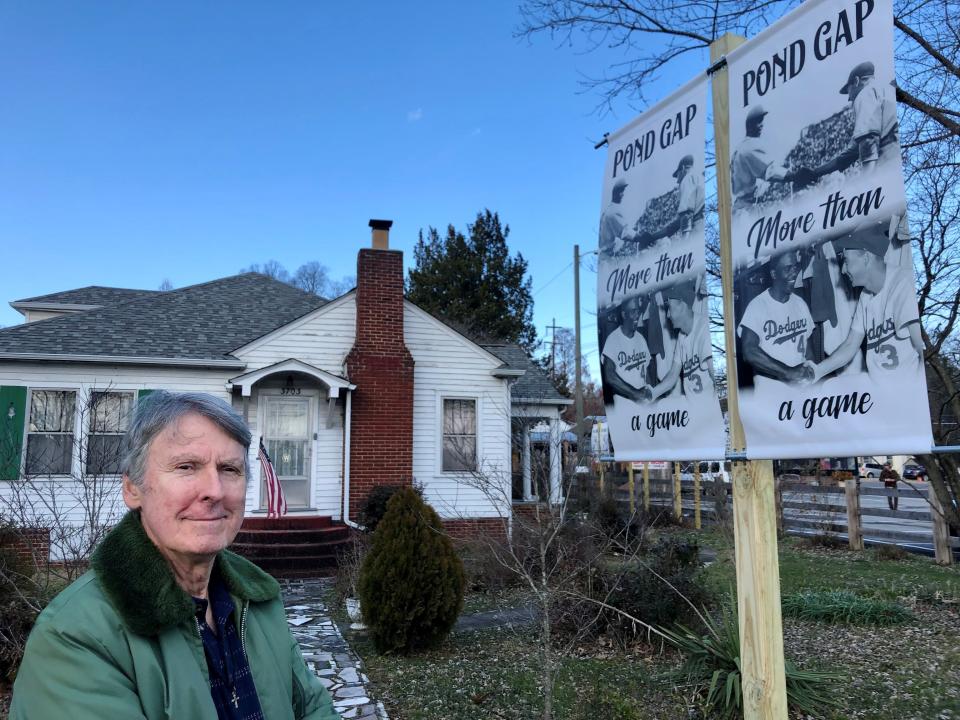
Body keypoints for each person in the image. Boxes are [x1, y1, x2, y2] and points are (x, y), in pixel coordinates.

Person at [11, 391, 340, 720]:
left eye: (229, 469)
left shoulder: (259, 602)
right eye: (186, 466)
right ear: (132, 489)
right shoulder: (77, 636)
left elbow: (312, 707)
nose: (214, 489)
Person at [810, 221, 923, 381]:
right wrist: (816, 372)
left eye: (846, 261)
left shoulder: (903, 284)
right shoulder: (866, 295)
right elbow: (850, 346)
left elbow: (921, 349)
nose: (843, 270)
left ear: (865, 257)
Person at [737, 251, 815, 389]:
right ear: (774, 274)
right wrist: (787, 372)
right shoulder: (758, 305)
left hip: (801, 391)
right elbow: (749, 351)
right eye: (787, 268)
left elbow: (808, 351)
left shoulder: (800, 304)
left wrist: (811, 375)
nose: (794, 272)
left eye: (796, 267)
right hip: (771, 394)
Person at [642, 277, 714, 400]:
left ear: (682, 304)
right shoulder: (682, 335)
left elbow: (716, 377)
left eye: (669, 307)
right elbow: (672, 375)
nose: (668, 315)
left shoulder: (704, 330)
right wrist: (652, 394)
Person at [730, 106, 810, 210]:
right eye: (758, 122)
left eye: (761, 121)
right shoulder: (750, 146)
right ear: (749, 125)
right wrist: (795, 176)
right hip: (746, 209)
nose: (761, 125)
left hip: (738, 207)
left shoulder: (739, 148)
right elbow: (770, 172)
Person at [634, 155, 705, 246]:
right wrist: (653, 237)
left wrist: (685, 245)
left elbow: (686, 214)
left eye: (677, 175)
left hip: (697, 226)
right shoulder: (700, 178)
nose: (677, 181)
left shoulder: (687, 178)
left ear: (683, 168)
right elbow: (676, 225)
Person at [601, 295, 652, 402]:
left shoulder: (641, 338)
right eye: (633, 311)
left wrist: (650, 392)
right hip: (624, 403)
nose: (637, 316)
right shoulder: (613, 339)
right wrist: (634, 393)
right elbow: (609, 376)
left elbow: (647, 369)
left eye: (638, 311)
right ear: (624, 314)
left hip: (642, 401)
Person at [599, 178, 635, 255]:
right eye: (621, 191)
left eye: (623, 191)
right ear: (615, 193)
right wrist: (641, 237)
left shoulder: (608, 209)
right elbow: (624, 233)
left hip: (605, 255)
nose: (622, 194)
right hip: (607, 257)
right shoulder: (612, 211)